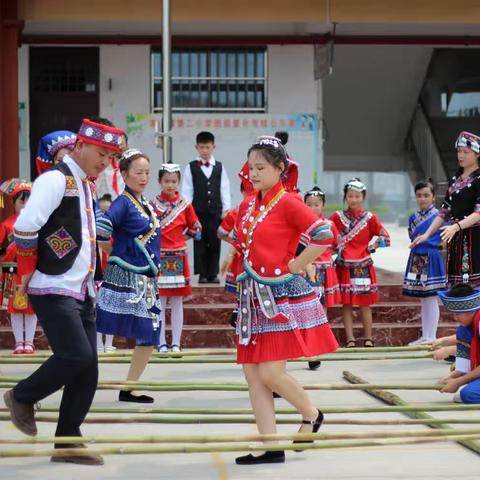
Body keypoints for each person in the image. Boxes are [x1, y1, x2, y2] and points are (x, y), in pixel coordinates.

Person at [3, 117, 124, 466]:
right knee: (75, 356)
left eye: (110, 156)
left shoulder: (84, 184)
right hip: (52, 285)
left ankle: (68, 442)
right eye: (101, 153)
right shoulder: (56, 179)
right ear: (81, 145)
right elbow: (25, 227)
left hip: (80, 288)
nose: (105, 162)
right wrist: (26, 273)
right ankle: (22, 396)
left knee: (88, 371)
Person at [232, 136, 339, 465]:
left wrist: (297, 262)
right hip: (252, 296)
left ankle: (311, 412)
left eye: (261, 167)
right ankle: (270, 445)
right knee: (252, 373)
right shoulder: (249, 203)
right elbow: (241, 240)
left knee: (271, 372)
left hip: (278, 297)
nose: (254, 173)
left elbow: (324, 233)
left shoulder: (290, 202)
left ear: (281, 169)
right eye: (251, 168)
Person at [96, 148, 161, 404]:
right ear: (124, 174)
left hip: (144, 277)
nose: (143, 177)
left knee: (149, 334)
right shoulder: (122, 202)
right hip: (128, 276)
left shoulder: (144, 202)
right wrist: (114, 253)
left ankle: (130, 387)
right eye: (138, 172)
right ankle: (82, 377)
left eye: (147, 172)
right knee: (107, 325)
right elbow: (102, 228)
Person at [411, 132, 480, 286]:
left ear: (477, 155)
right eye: (459, 151)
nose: (461, 155)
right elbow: (444, 211)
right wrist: (427, 234)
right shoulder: (455, 180)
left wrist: (455, 227)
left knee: (473, 288)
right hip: (456, 240)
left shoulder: (478, 180)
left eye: (466, 152)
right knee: (457, 289)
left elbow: (478, 213)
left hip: (474, 239)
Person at [330, 178, 390, 348]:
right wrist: (336, 248)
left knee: (365, 304)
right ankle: (350, 339)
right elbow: (326, 235)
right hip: (344, 267)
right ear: (345, 197)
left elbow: (385, 237)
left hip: (363, 266)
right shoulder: (337, 217)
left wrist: (371, 247)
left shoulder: (370, 218)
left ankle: (368, 338)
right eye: (350, 196)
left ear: (363, 197)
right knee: (347, 304)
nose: (354, 199)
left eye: (357, 196)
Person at [150, 163, 201, 353]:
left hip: (179, 256)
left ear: (179, 182)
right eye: (166, 181)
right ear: (160, 182)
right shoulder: (152, 204)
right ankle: (162, 343)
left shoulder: (185, 205)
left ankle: (177, 344)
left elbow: (197, 228)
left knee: (178, 302)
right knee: (161, 302)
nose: (170, 185)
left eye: (173, 181)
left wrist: (182, 238)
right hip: (160, 256)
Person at [181, 131, 231, 284]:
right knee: (200, 242)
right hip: (198, 212)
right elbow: (187, 190)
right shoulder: (191, 167)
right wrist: (187, 212)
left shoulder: (220, 167)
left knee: (215, 242)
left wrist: (226, 210)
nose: (204, 150)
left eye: (207, 147)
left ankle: (213, 273)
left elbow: (225, 188)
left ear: (213, 147)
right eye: (201, 147)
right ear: (196, 147)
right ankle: (202, 273)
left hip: (216, 212)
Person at [403, 179, 447, 345]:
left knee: (431, 297)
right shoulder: (413, 217)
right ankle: (425, 335)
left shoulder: (439, 216)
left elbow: (444, 238)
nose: (422, 199)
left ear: (433, 197)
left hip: (432, 257)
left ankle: (431, 336)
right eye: (419, 195)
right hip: (417, 258)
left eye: (426, 195)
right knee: (423, 298)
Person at [0, 179, 37, 354]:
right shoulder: (6, 225)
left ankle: (29, 342)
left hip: (31, 271)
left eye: (29, 201)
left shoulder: (38, 224)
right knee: (14, 308)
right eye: (22, 201)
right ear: (13, 202)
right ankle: (19, 342)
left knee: (31, 307)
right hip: (12, 271)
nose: (25, 205)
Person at [437, 283, 480, 404]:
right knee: (469, 392)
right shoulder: (464, 330)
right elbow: (463, 367)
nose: (455, 318)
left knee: (468, 395)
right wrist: (451, 377)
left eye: (458, 314)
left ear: (470, 311)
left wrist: (458, 382)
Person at [303, 187, 341, 309]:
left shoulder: (330, 225)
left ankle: (322, 328)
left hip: (325, 269)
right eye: (308, 205)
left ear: (323, 205)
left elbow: (338, 245)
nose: (312, 208)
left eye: (316, 205)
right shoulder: (300, 225)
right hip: (306, 269)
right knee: (306, 304)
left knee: (322, 305)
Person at [95, 193, 116, 353]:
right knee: (96, 310)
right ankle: (97, 343)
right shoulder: (90, 233)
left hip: (112, 275)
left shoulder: (116, 232)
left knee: (111, 309)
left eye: (107, 213)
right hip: (95, 276)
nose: (103, 216)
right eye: (100, 213)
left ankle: (108, 343)